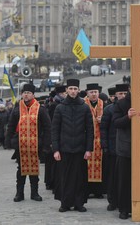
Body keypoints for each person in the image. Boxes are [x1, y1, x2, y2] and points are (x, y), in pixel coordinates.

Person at [112, 84, 140, 220]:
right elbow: (115, 123)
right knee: (124, 180)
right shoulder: (121, 104)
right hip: (125, 149)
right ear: (130, 89)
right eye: (134, 87)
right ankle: (124, 209)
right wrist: (127, 117)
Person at [51, 79, 94, 212]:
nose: (73, 91)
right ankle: (65, 203)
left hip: (80, 149)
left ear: (79, 90)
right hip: (64, 149)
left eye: (75, 89)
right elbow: (55, 130)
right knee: (65, 177)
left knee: (80, 178)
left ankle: (79, 203)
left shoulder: (84, 107)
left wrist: (88, 149)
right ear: (67, 91)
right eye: (71, 89)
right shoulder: (60, 107)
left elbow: (90, 130)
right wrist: (56, 149)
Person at [5, 83, 52, 202]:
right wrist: (8, 140)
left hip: (36, 145)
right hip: (20, 145)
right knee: (21, 169)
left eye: (29, 93)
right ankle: (19, 193)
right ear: (22, 94)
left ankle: (34, 193)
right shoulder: (17, 109)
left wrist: (46, 145)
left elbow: (48, 128)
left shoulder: (40, 109)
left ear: (33, 95)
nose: (26, 95)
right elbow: (10, 126)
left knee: (34, 170)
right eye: (24, 93)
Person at [99, 84, 128, 212]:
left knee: (125, 177)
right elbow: (103, 129)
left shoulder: (131, 109)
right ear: (115, 95)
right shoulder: (109, 109)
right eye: (120, 94)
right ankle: (112, 201)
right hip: (112, 148)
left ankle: (124, 200)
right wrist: (104, 146)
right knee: (112, 177)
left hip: (126, 148)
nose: (122, 96)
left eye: (124, 94)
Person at [84, 83, 106, 199]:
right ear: (87, 93)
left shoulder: (104, 104)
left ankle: (98, 190)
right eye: (91, 92)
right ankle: (86, 190)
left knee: (99, 165)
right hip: (87, 139)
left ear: (98, 93)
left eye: (95, 92)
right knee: (86, 165)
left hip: (100, 140)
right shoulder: (83, 104)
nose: (93, 94)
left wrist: (103, 120)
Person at [45, 85, 66, 191]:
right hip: (54, 136)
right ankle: (52, 183)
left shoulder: (59, 103)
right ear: (61, 94)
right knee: (53, 162)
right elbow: (52, 123)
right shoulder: (55, 105)